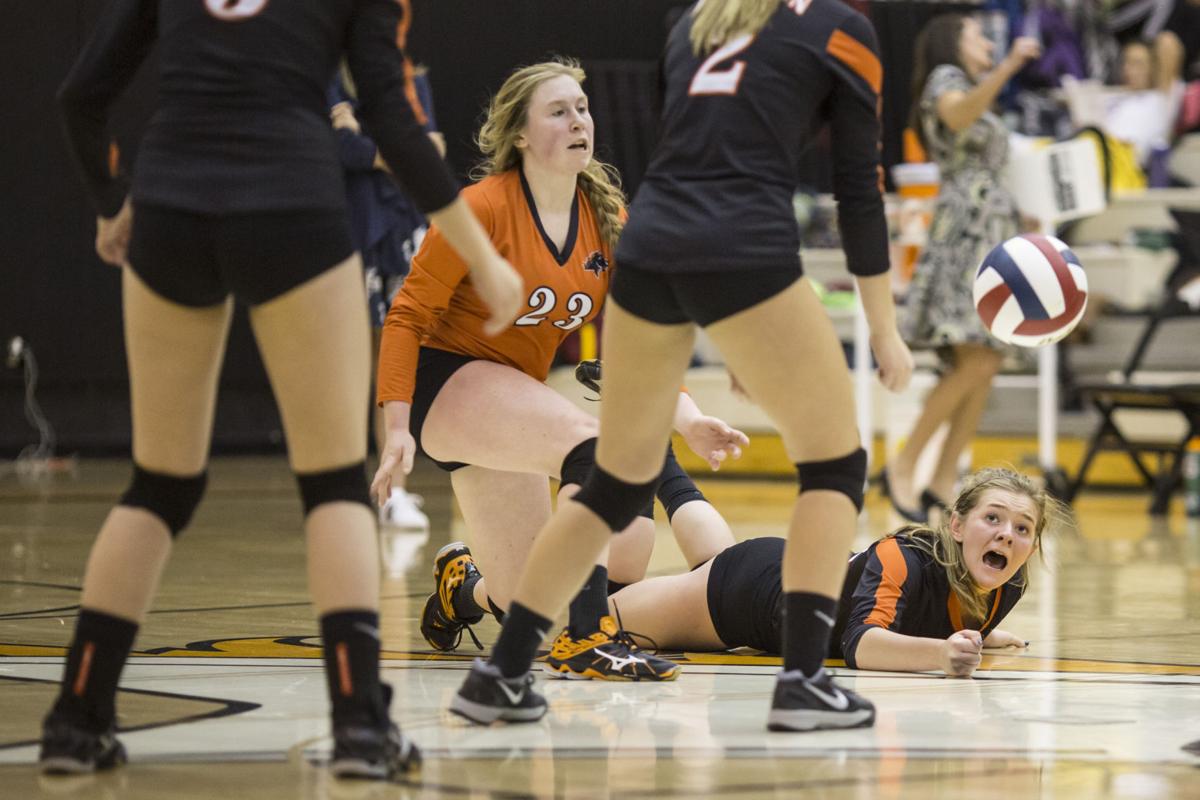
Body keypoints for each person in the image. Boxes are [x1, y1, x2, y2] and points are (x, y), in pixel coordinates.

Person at [44, 0, 522, 780]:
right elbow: (392, 117)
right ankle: (361, 728)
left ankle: (75, 720)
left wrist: (109, 204)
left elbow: (80, 95)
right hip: (290, 203)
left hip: (170, 204)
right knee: (333, 483)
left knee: (159, 484)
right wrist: (482, 255)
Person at [449, 0, 915, 732]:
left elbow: (698, 152)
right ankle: (802, 683)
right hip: (745, 248)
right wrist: (883, 329)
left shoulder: (696, 18)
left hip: (651, 246)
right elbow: (858, 189)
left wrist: (743, 328)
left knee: (614, 482)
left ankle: (499, 674)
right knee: (836, 466)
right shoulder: (842, 29)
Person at [370, 60, 748, 681]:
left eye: (582, 108)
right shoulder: (481, 209)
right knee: (594, 452)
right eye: (558, 111)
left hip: (507, 397)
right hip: (445, 382)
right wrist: (395, 427)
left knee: (534, 597)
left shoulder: (606, 219)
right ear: (519, 134)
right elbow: (407, 315)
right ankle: (588, 639)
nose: (579, 121)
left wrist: (688, 418)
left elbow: (637, 341)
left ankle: (462, 588)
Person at [602, 468, 1067, 678]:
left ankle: (661, 459)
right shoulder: (902, 557)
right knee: (601, 619)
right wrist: (942, 653)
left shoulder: (1010, 581)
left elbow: (933, 613)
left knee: (710, 559)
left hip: (793, 571)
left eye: (1022, 528)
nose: (1007, 535)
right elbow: (860, 644)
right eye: (993, 518)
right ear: (957, 526)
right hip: (748, 598)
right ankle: (634, 448)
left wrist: (982, 635)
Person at [883, 15, 1041, 523]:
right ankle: (904, 464)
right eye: (977, 35)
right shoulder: (946, 79)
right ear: (953, 42)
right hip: (966, 236)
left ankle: (942, 478)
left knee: (987, 361)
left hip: (992, 232)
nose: (987, 43)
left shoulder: (973, 87)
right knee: (974, 360)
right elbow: (956, 117)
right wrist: (1010, 66)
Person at [329, 67, 444, 530]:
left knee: (394, 357)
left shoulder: (414, 77)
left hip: (403, 224)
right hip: (354, 228)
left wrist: (366, 142)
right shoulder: (331, 78)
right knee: (352, 366)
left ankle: (393, 489)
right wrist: (394, 149)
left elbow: (432, 151)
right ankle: (346, 490)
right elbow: (342, 150)